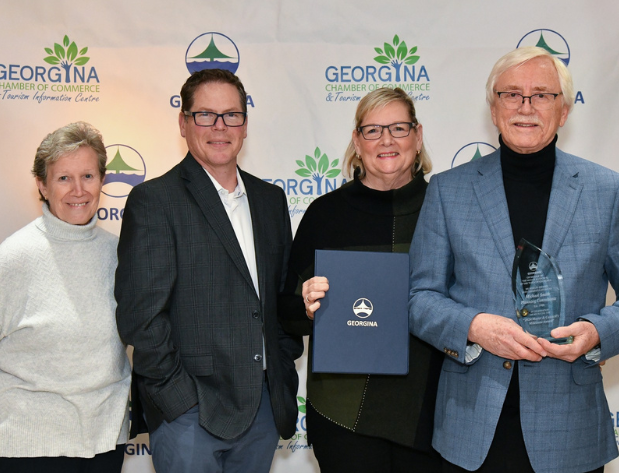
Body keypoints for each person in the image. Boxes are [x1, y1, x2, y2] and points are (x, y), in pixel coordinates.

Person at [407, 47, 619, 473]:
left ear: (564, 110)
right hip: (471, 428)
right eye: (511, 95)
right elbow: (421, 299)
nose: (525, 107)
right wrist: (474, 327)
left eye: (541, 95)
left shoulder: (606, 192)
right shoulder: (447, 190)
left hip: (569, 428)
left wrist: (597, 331)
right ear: (494, 108)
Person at [115, 69, 302, 473]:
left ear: (246, 125)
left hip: (263, 408)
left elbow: (280, 296)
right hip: (191, 414)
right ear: (183, 123)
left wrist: (280, 369)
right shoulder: (154, 201)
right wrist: (180, 398)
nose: (220, 127)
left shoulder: (270, 199)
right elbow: (140, 318)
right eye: (205, 115)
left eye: (231, 115)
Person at [277, 88, 442, 472]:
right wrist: (306, 304)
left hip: (430, 411)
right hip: (344, 414)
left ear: (418, 137)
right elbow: (287, 312)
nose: (386, 140)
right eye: (373, 130)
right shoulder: (325, 214)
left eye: (399, 128)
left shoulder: (446, 210)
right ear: (356, 141)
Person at [0, 123, 130, 473]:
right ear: (41, 185)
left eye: (88, 175)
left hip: (105, 445)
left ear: (102, 181)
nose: (78, 190)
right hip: (29, 448)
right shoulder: (13, 258)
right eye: (63, 178)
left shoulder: (120, 255)